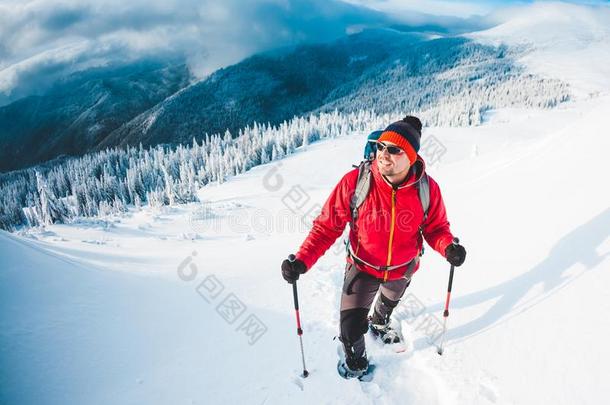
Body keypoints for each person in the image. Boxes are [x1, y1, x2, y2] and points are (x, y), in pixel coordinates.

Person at [281, 116, 466, 377]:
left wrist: (448, 247)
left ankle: (380, 322)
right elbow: (326, 227)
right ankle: (356, 362)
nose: (384, 155)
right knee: (350, 329)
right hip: (362, 268)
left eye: (394, 149)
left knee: (387, 305)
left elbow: (435, 228)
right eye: (381, 147)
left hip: (402, 269)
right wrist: (301, 261)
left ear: (411, 157)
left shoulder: (427, 189)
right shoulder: (355, 182)